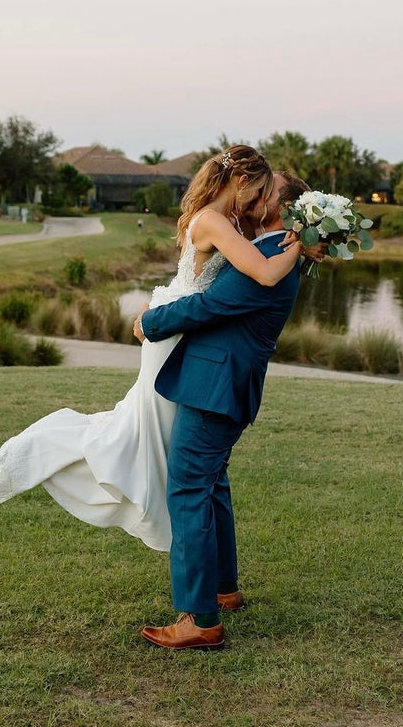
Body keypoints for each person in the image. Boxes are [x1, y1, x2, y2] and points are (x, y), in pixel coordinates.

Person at [0, 147, 313, 552]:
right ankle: (58, 455)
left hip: (181, 333)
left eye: (265, 193)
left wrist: (305, 239)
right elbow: (264, 270)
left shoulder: (228, 222)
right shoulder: (215, 222)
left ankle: (194, 552)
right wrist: (304, 244)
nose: (258, 200)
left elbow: (252, 260)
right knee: (139, 437)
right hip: (171, 335)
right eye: (257, 189)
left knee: (164, 448)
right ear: (241, 182)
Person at [134, 170, 313, 651]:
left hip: (216, 386)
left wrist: (150, 321)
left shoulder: (275, 254)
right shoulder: (268, 247)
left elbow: (211, 306)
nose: (256, 194)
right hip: (221, 382)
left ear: (284, 208)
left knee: (189, 487)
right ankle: (224, 588)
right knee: (212, 484)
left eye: (267, 190)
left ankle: (200, 618)